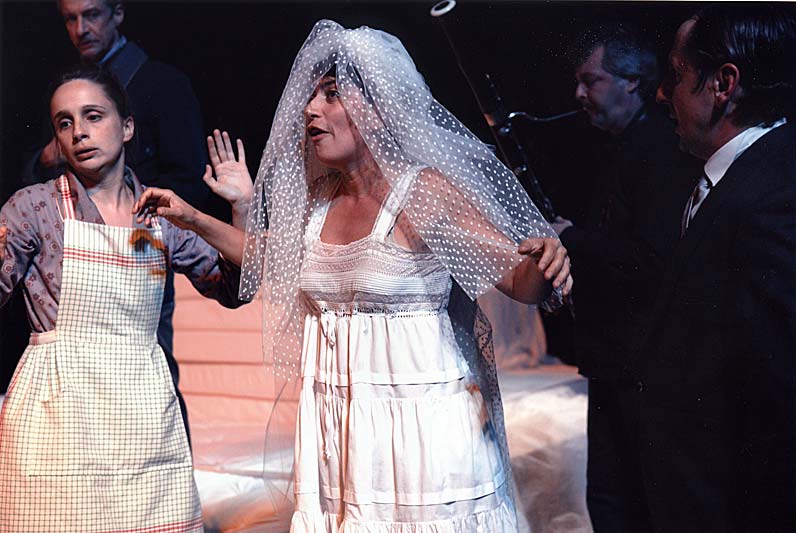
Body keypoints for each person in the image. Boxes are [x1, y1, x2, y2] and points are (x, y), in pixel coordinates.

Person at [134, 20, 572, 532]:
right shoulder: (321, 200)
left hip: (419, 437)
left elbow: (519, 281)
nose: (309, 110)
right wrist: (194, 218)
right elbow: (267, 260)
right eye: (310, 96)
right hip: (341, 431)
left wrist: (545, 260)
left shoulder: (423, 192)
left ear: (381, 109)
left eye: (332, 95)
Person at [0, 66, 246, 531]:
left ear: (127, 126)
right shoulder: (34, 207)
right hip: (60, 417)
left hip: (141, 416)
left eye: (93, 116)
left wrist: (239, 209)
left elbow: (235, 288)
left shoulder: (160, 215)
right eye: (65, 123)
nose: (79, 132)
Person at [632, 6, 796, 532]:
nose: (662, 94)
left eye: (677, 74)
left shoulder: (774, 196)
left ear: (723, 84)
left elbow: (779, 391)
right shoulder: (735, 178)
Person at [16, 0, 211, 439]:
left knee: (149, 368)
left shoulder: (160, 83)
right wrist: (48, 157)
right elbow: (32, 170)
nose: (81, 28)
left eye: (92, 15)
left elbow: (188, 176)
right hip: (69, 240)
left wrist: (136, 208)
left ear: (118, 13)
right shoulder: (65, 88)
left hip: (141, 241)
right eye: (70, 18)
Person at [553, 28, 699, 532]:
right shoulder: (624, 146)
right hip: (617, 357)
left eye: (590, 81)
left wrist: (571, 238)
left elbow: (652, 259)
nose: (579, 94)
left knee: (628, 501)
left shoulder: (657, 149)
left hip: (639, 361)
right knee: (613, 499)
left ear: (631, 82)